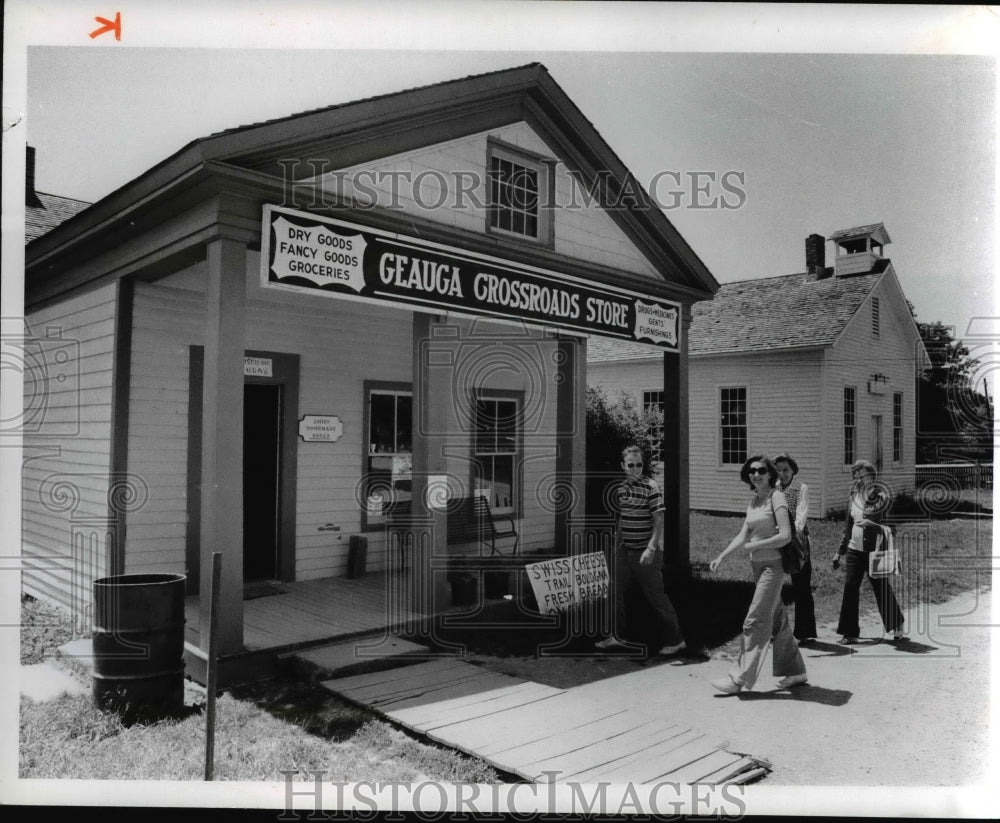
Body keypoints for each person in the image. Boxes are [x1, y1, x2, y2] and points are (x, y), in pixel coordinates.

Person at [709, 455, 807, 693]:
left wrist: (757, 545)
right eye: (752, 471)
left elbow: (785, 535)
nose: (756, 474)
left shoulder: (777, 497)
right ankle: (796, 671)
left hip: (774, 567)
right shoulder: (755, 501)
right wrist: (722, 556)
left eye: (761, 470)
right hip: (758, 568)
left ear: (770, 474)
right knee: (777, 620)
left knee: (754, 620)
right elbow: (743, 535)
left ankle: (739, 679)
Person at [595, 445, 687, 657]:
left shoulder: (651, 486)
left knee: (657, 597)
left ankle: (676, 641)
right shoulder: (621, 488)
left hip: (645, 553)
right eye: (631, 465)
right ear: (623, 466)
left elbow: (659, 520)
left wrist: (651, 548)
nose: (635, 468)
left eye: (639, 465)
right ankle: (617, 636)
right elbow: (623, 518)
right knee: (613, 592)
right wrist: (617, 541)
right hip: (624, 551)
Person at [833, 459, 905, 644]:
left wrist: (871, 524)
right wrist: (839, 552)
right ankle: (849, 632)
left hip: (875, 551)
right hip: (854, 550)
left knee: (881, 589)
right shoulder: (853, 498)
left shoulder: (882, 497)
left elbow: (891, 528)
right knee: (850, 588)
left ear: (872, 476)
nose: (859, 478)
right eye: (856, 474)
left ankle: (897, 624)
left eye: (863, 474)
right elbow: (847, 528)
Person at [773, 453, 817, 645]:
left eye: (786, 470)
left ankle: (804, 632)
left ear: (793, 470)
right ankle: (775, 631)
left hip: (797, 542)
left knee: (802, 587)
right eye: (778, 470)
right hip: (774, 541)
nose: (782, 474)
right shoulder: (772, 489)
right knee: (773, 587)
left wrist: (789, 533)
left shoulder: (801, 488)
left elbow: (801, 514)